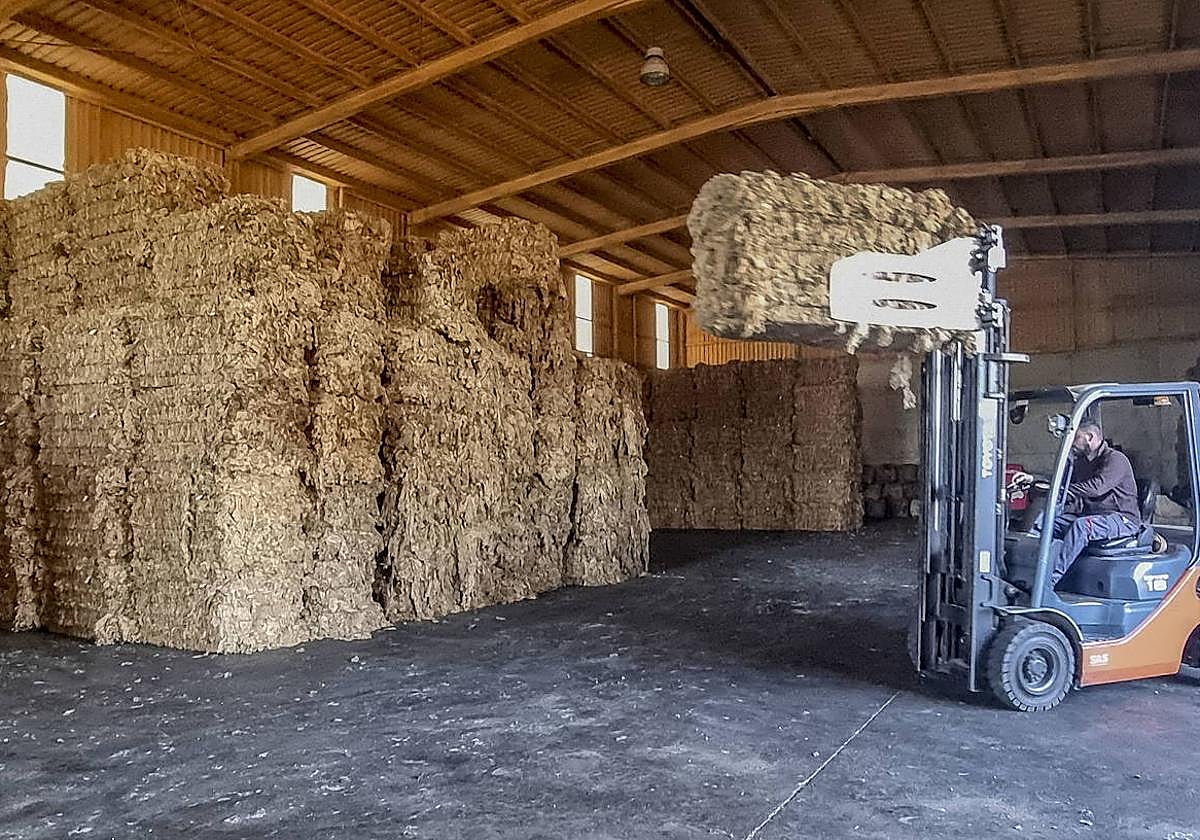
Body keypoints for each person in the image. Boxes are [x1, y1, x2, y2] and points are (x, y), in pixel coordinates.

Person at [1049, 420, 1141, 586]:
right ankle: (1029, 573)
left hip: (1122, 519)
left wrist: (1065, 491)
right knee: (1048, 522)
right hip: (1095, 517)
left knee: (1081, 526)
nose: (1071, 442)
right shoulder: (1083, 463)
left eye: (1075, 437)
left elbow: (1097, 487)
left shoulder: (1116, 459)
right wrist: (1035, 481)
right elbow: (1065, 485)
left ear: (1089, 437)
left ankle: (1049, 582)